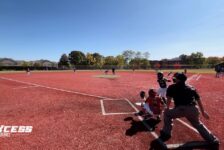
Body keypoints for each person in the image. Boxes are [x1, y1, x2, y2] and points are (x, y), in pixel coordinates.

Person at [157, 73, 219, 148]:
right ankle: (212, 139)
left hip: (180, 109)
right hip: (193, 109)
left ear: (178, 79)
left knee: (167, 114)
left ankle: (166, 133)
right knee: (198, 124)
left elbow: (169, 100)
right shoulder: (191, 87)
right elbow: (198, 100)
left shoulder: (172, 87)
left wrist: (166, 108)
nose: (174, 79)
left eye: (175, 78)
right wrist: (203, 112)